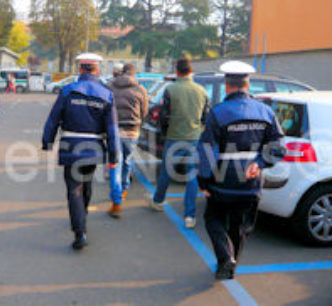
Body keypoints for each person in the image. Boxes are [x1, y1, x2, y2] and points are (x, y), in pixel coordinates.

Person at [197, 61, 284, 280]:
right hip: (251, 183)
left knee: (212, 218)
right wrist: (260, 163)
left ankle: (225, 259)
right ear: (248, 84)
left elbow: (207, 150)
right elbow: (278, 146)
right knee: (240, 227)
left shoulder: (218, 112)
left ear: (227, 85)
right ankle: (229, 264)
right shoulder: (265, 112)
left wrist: (204, 182)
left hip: (223, 181)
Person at [42, 53, 120, 250]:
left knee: (74, 188)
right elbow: (112, 128)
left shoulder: (68, 90)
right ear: (97, 70)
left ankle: (79, 232)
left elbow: (54, 118)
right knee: (86, 183)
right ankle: (81, 216)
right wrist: (114, 154)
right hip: (93, 147)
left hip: (71, 146)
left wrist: (47, 141)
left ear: (80, 69)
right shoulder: (106, 94)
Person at [148, 57, 209, 229]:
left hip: (174, 137)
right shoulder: (202, 91)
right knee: (192, 177)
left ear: (177, 71)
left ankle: (158, 200)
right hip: (194, 138)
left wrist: (166, 133)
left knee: (166, 172)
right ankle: (189, 215)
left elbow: (164, 116)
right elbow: (206, 116)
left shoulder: (170, 90)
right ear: (191, 71)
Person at [108, 63, 149, 218]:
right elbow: (144, 112)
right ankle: (124, 189)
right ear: (134, 74)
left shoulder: (111, 87)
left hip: (114, 131)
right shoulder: (140, 90)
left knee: (114, 164)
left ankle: (116, 199)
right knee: (127, 161)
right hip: (132, 132)